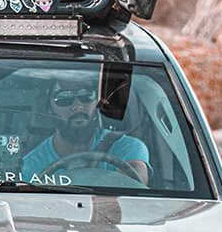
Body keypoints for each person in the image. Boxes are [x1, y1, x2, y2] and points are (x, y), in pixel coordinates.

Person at [21, 77, 150, 183]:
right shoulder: (30, 166)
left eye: (86, 95)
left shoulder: (127, 148)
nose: (78, 106)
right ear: (49, 109)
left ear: (97, 103)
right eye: (64, 98)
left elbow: (136, 181)